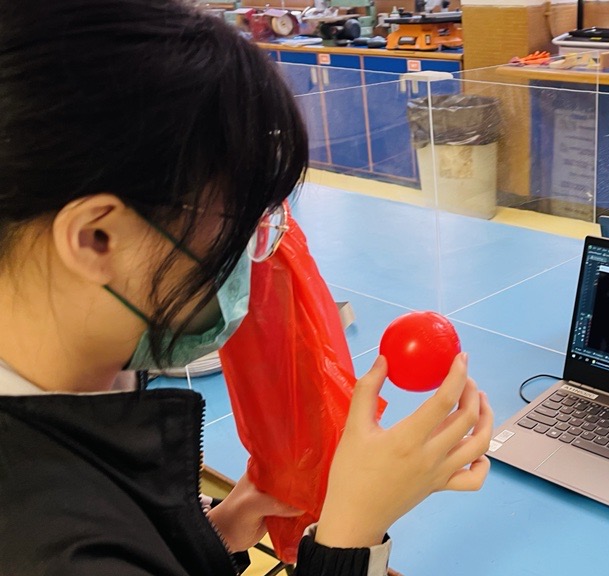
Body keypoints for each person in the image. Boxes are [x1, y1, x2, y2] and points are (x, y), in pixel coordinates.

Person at [0, 2, 493, 575]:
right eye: (239, 220)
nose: (254, 251)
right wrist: (351, 531)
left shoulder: (84, 394)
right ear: (97, 238)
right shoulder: (53, 548)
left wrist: (210, 536)